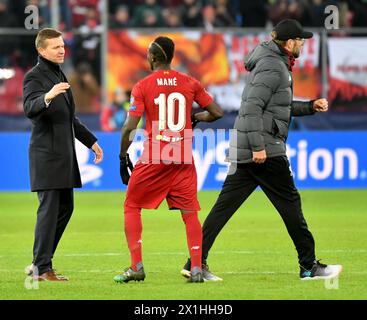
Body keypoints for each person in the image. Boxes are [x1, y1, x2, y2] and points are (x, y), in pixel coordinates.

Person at [181, 19, 342, 281]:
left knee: (222, 209)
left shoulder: (271, 62)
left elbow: (278, 106)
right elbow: (253, 107)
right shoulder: (274, 66)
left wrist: (311, 106)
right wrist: (258, 147)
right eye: (301, 40)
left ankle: (195, 263)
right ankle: (309, 266)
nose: (302, 44)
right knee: (291, 204)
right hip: (264, 149)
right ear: (289, 43)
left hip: (249, 147)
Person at [113, 36, 223, 283]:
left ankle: (136, 267)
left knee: (132, 205)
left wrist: (122, 157)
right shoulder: (190, 82)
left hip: (156, 155)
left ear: (152, 57)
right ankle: (196, 269)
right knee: (190, 212)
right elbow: (217, 113)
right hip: (182, 155)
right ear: (171, 58)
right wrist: (196, 118)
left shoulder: (142, 86)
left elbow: (130, 125)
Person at [23, 28, 103, 281]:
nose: (61, 50)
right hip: (47, 155)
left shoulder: (58, 73)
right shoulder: (34, 77)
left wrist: (91, 142)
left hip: (62, 155)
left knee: (65, 208)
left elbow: (70, 118)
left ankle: (40, 262)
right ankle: (41, 268)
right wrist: (46, 97)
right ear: (41, 50)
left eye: (62, 45)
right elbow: (29, 107)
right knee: (49, 210)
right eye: (56, 46)